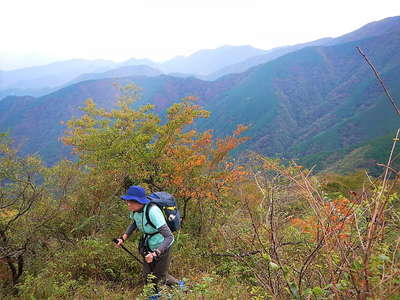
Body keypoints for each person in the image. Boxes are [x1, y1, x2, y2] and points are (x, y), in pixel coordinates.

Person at [115, 185, 181, 290]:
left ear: (138, 202)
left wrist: (156, 253)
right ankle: (156, 294)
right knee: (148, 276)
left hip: (162, 246)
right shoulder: (135, 210)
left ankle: (179, 287)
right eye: (127, 201)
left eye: (130, 201)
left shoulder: (153, 212)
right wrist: (122, 238)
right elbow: (134, 223)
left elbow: (169, 237)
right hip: (147, 246)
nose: (128, 204)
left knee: (159, 277)